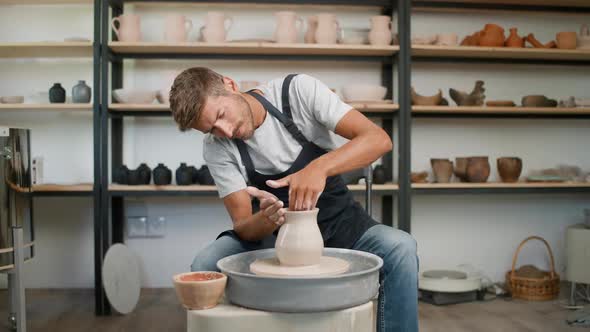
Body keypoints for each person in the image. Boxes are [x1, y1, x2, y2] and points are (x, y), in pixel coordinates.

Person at [169, 67, 418, 332]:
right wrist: (266, 219)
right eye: (212, 129)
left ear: (229, 85)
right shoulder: (216, 147)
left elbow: (378, 139)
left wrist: (318, 168)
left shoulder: (297, 92)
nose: (226, 132)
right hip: (273, 241)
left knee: (401, 247)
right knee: (205, 264)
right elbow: (243, 225)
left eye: (221, 115)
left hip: (341, 225)